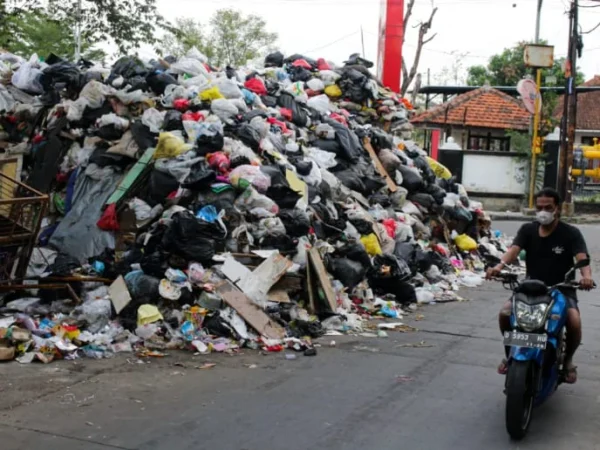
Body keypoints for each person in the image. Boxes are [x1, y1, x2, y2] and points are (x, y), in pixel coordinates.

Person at [486, 187, 594, 384]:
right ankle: (510, 353)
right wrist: (499, 266)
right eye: (539, 207)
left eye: (548, 207)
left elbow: (582, 259)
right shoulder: (528, 230)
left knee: (574, 321)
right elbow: (513, 251)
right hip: (531, 287)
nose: (543, 211)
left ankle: (568, 360)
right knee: (504, 314)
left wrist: (586, 277)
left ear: (557, 209)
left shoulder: (571, 233)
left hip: (562, 288)